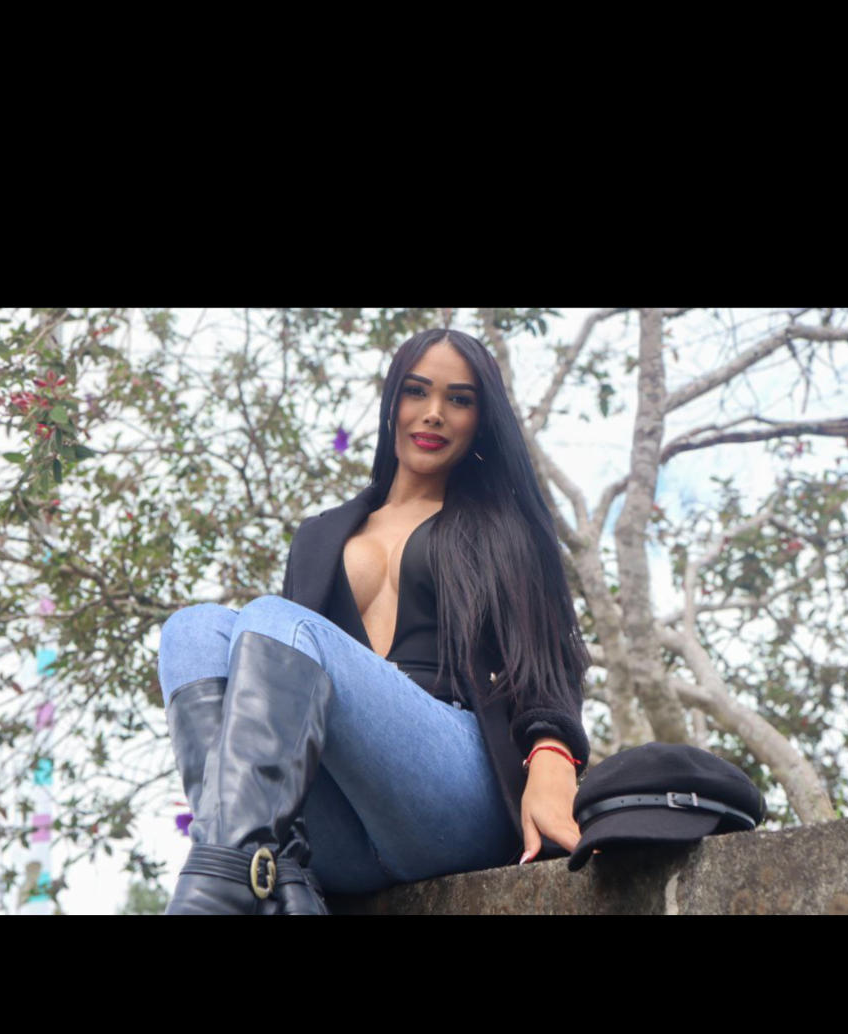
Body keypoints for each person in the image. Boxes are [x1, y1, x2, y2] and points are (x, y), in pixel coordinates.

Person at [157, 327, 592, 914]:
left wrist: (552, 759)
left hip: (451, 797)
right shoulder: (318, 537)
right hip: (342, 834)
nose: (434, 412)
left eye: (459, 399)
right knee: (191, 629)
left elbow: (548, 665)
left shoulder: (503, 528)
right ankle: (268, 874)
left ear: (480, 419)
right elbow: (280, 713)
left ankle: (213, 892)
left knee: (272, 618)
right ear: (393, 402)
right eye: (417, 391)